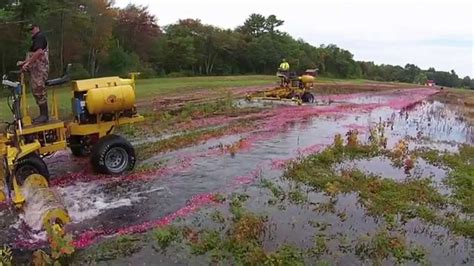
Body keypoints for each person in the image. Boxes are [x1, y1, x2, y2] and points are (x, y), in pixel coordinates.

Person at [19, 23, 50, 123]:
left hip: (40, 70)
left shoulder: (39, 37)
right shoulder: (35, 39)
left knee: (39, 89)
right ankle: (43, 115)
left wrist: (27, 63)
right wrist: (24, 62)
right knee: (36, 90)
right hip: (36, 69)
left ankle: (44, 115)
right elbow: (33, 54)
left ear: (37, 28)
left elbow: (39, 52)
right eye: (29, 30)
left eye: (32, 29)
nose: (31, 31)